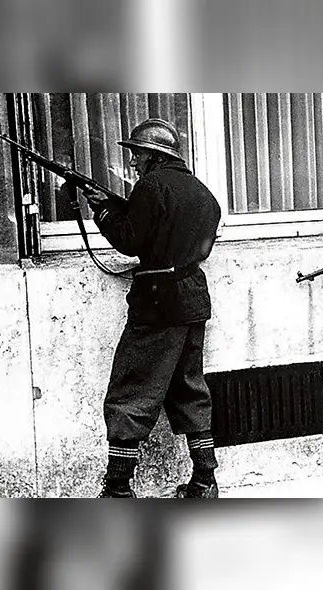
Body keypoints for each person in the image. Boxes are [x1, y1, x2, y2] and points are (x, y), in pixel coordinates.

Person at [76, 118, 222, 498]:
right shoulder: (202, 192)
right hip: (192, 298)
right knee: (189, 389)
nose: (134, 163)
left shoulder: (150, 186)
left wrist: (104, 212)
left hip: (158, 303)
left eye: (138, 154)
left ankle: (118, 490)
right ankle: (205, 481)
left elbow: (131, 240)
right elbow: (168, 232)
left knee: (131, 393)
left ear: (154, 156)